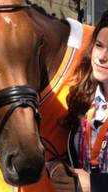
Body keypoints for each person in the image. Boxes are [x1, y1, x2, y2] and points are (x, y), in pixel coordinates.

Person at [50, 10, 108, 192]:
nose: (102, 57)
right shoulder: (84, 98)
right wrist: (59, 168)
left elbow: (89, 182)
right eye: (99, 45)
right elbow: (75, 158)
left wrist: (95, 184)